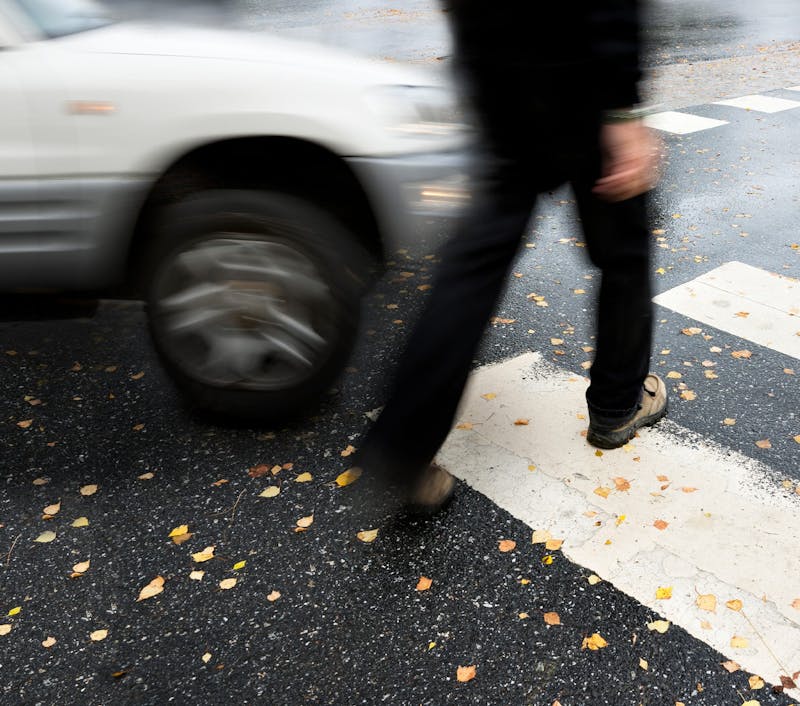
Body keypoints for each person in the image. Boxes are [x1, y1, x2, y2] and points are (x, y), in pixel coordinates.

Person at [351, 0, 667, 512]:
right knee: (624, 253)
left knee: (474, 265)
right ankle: (617, 404)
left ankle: (403, 445)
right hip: (578, 70)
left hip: (495, 69)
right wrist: (622, 109)